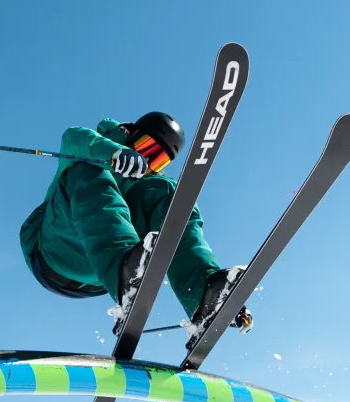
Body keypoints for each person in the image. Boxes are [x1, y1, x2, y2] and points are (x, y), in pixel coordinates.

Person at [19, 112, 251, 336]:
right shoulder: (98, 143)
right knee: (86, 168)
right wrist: (114, 152)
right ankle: (122, 267)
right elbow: (73, 138)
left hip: (99, 277)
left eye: (158, 160)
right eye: (146, 148)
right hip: (52, 253)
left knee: (168, 193)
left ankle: (203, 294)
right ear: (131, 134)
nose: (147, 162)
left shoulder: (149, 182)